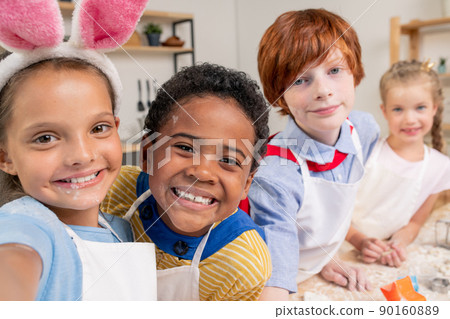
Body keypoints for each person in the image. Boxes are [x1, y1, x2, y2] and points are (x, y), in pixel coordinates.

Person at [0, 0, 156, 300]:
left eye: (98, 128)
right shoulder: (26, 226)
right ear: (5, 157)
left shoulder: (121, 229)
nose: (82, 156)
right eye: (46, 138)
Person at [101, 63, 272, 300]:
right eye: (184, 148)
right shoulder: (110, 189)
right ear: (147, 155)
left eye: (228, 160)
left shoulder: (244, 262)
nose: (202, 173)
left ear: (246, 184)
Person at [247, 9, 380, 300]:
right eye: (300, 80)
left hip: (312, 272)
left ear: (355, 72)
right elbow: (275, 272)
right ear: (279, 95)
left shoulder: (365, 131)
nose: (323, 91)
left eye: (334, 70)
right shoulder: (277, 172)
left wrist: (327, 257)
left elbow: (326, 214)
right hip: (263, 284)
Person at [347, 60, 450, 267]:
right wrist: (359, 241)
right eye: (398, 110)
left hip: (380, 256)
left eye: (420, 107)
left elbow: (414, 223)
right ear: (384, 111)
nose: (410, 119)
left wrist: (396, 244)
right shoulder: (366, 151)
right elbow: (335, 213)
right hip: (342, 247)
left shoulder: (440, 168)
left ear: (434, 109)